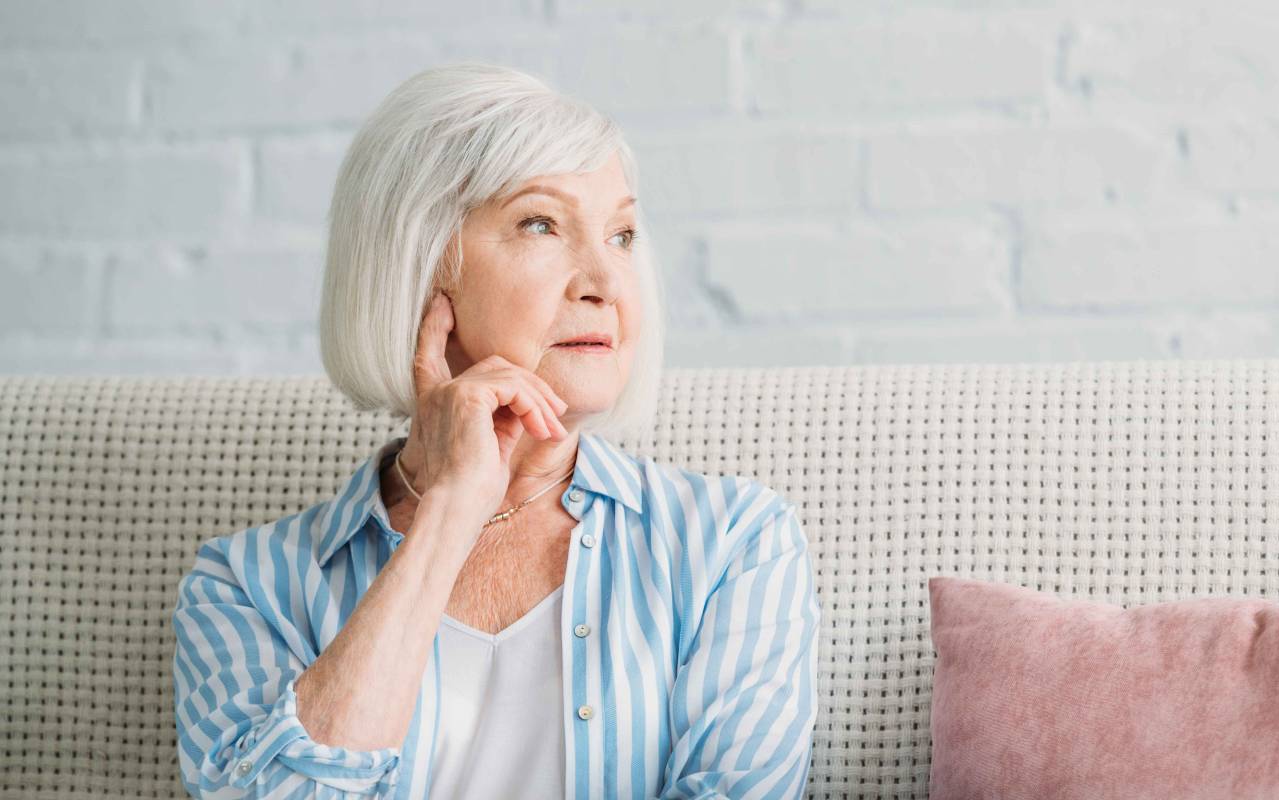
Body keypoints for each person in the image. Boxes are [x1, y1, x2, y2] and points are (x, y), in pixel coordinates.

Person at [169, 62, 821, 799]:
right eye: (540, 224)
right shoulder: (248, 586)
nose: (604, 282)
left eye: (623, 234)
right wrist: (450, 510)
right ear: (419, 267)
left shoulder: (730, 544)